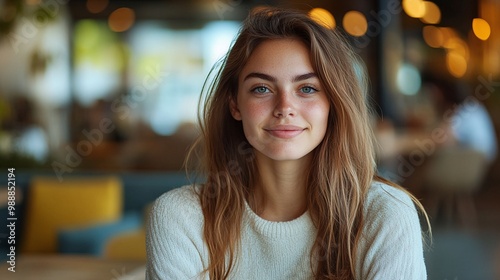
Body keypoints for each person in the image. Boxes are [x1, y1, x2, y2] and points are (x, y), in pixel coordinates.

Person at [146, 7, 429, 280]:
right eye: (262, 89)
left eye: (307, 88)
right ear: (235, 104)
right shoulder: (181, 218)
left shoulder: (386, 214)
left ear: (334, 103)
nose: (285, 107)